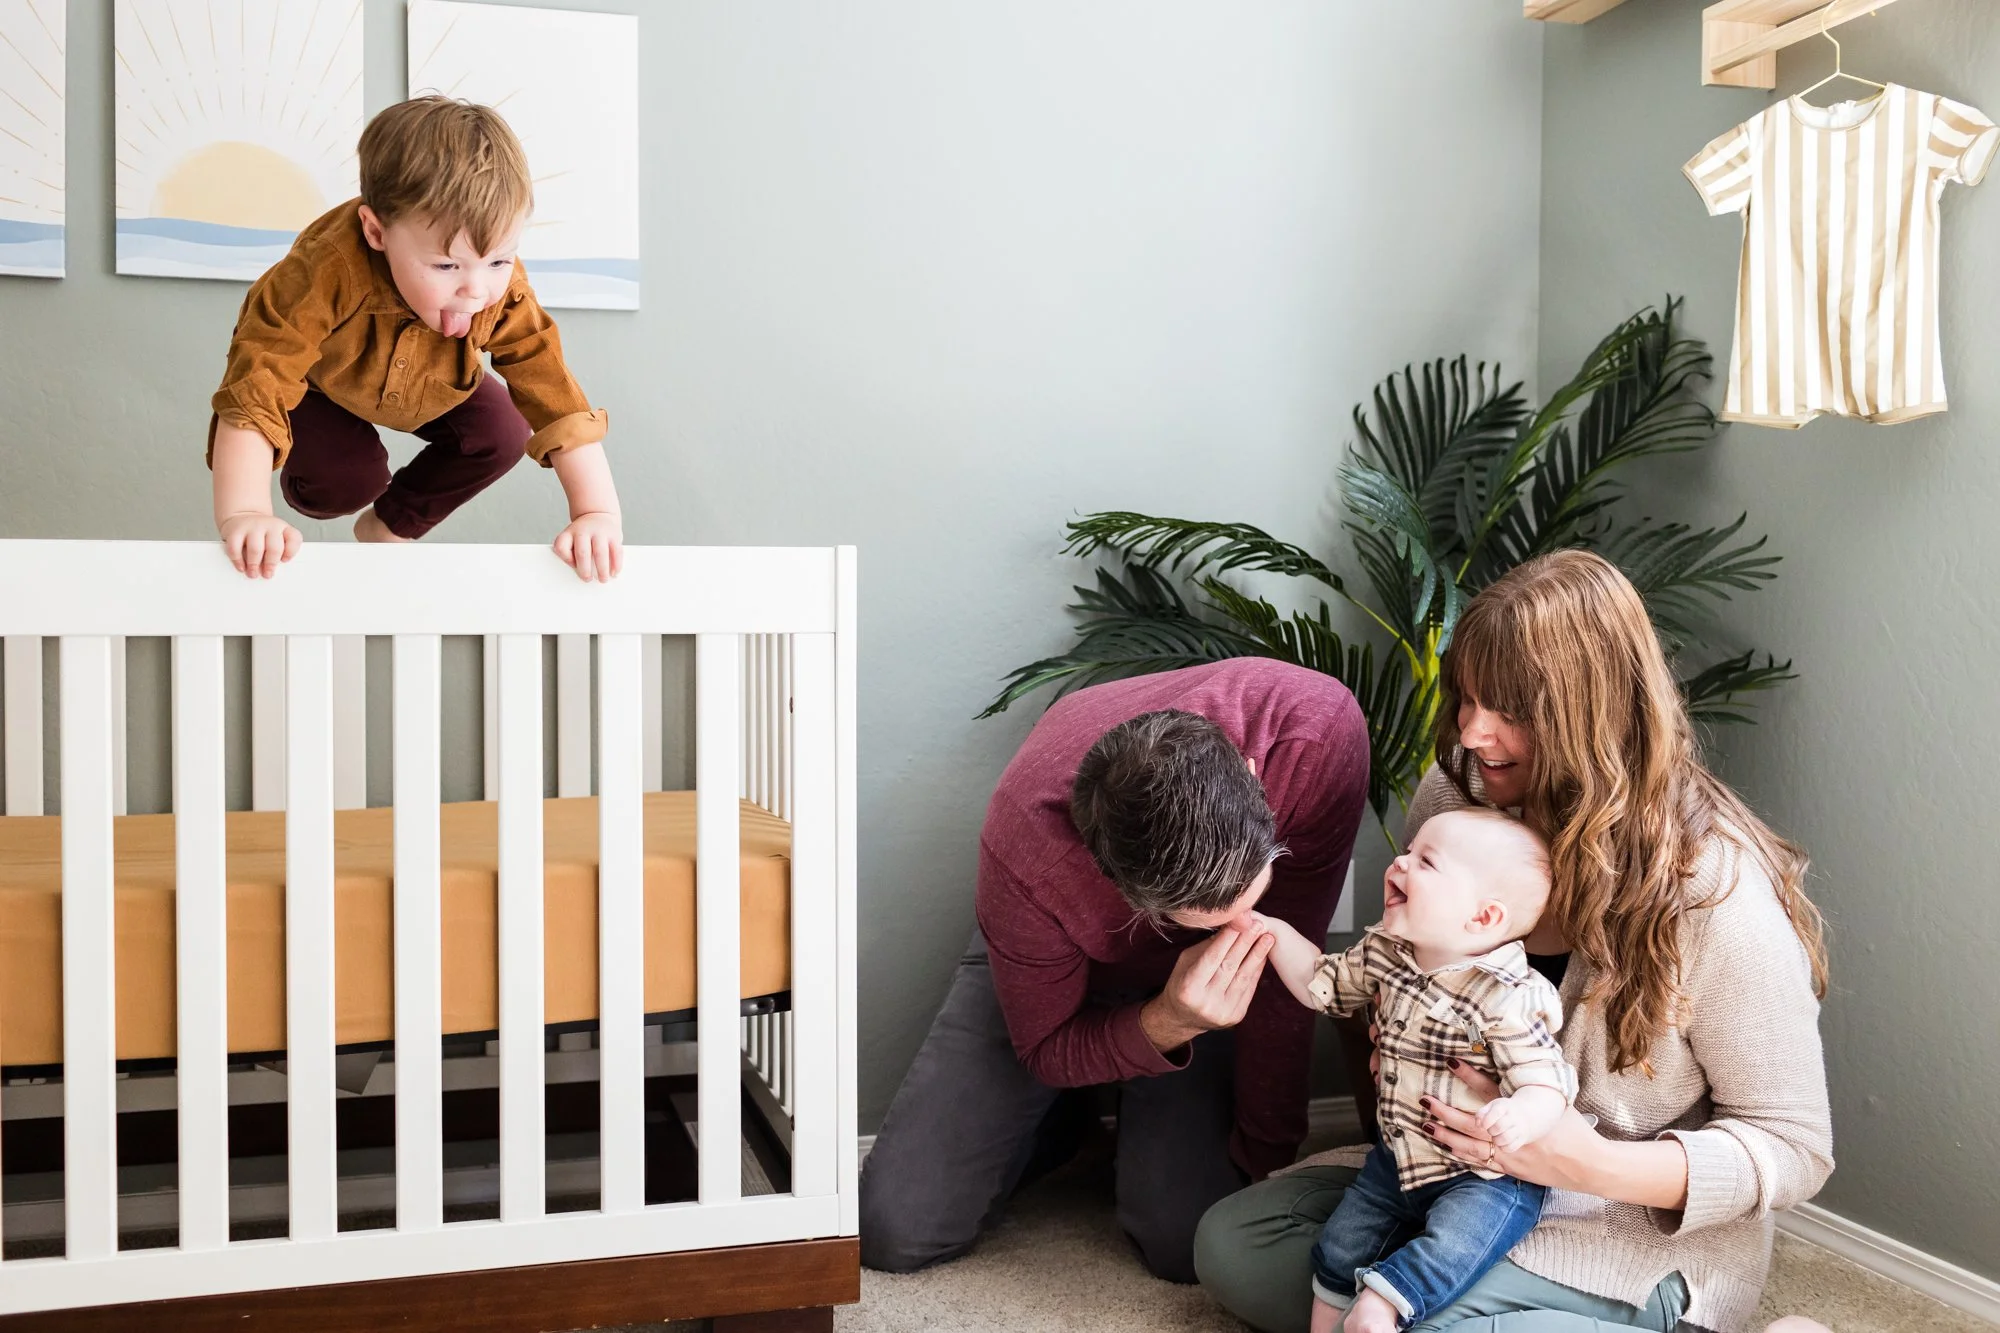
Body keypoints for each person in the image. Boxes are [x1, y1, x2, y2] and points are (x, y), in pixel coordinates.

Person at [1194, 549, 1834, 1333]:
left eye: (1508, 708)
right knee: (1233, 1242)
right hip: (1442, 1182)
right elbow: (1388, 969)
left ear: (1592, 716)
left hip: (1615, 1235)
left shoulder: (1711, 891)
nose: (1471, 729)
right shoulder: (1459, 796)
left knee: (1402, 1316)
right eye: (1466, 696)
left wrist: (1583, 1160)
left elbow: (1795, 1146)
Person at [859, 658, 1369, 1283]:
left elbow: (1289, 982)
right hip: (1058, 966)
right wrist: (1170, 1020)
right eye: (1211, 916)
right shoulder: (1029, 843)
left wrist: (1269, 1160)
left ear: (1254, 777)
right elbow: (1045, 1048)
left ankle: (1115, 1112)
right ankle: (1064, 1117)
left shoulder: (1315, 731)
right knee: (895, 1230)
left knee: (1187, 1246)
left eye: (1249, 900)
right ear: (1117, 885)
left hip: (1191, 981)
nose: (1243, 924)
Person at [207, 96, 623, 582]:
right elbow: (258, 384)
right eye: (446, 265)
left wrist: (597, 513)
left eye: (499, 260)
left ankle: (388, 527)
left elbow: (552, 388)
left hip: (429, 380)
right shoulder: (322, 271)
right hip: (315, 384)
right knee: (347, 481)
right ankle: (334, 484)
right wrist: (244, 514)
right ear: (376, 232)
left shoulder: (497, 291)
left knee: (501, 430)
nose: (476, 289)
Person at [1256, 807, 1575, 1333]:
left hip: (1483, 1177)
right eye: (1408, 852)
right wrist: (1271, 932)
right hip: (1398, 1157)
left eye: (1425, 861)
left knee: (1450, 1250)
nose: (1398, 864)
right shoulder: (1387, 950)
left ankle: (1381, 1310)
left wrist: (1523, 1111)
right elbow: (1323, 981)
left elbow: (1550, 1080)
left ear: (1483, 918)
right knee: (1340, 1245)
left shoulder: (1507, 996)